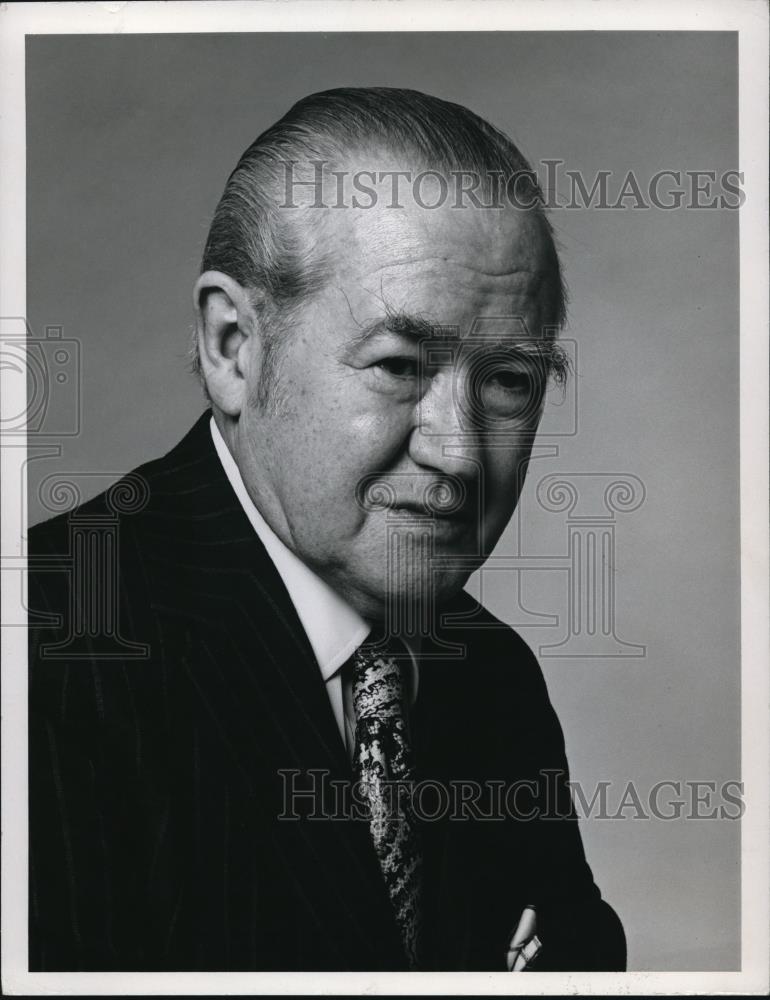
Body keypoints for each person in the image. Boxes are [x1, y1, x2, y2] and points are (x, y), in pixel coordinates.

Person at [28, 87, 625, 972]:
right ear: (234, 347)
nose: (461, 456)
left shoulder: (492, 678)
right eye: (397, 365)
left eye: (509, 381)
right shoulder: (46, 656)